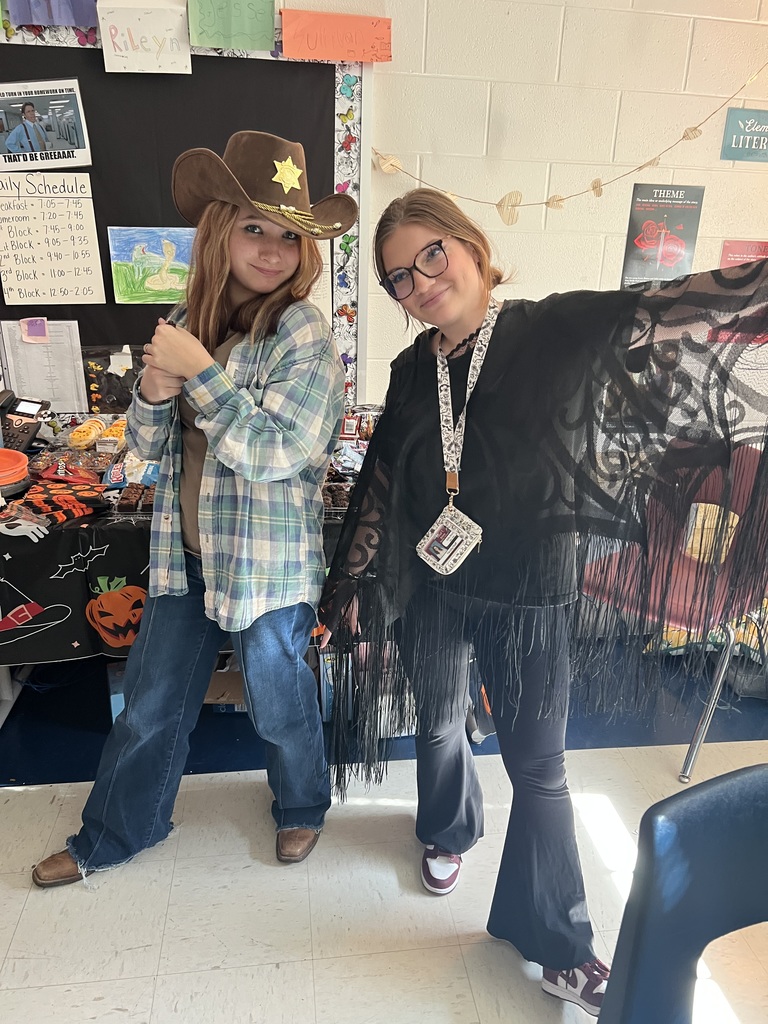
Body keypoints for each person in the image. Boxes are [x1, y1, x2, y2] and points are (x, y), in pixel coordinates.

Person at [319, 188, 768, 1017]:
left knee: (541, 769)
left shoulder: (553, 328)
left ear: (470, 246)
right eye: (396, 279)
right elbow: (384, 473)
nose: (418, 282)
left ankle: (557, 944)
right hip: (433, 584)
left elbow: (683, 308)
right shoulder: (414, 369)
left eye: (430, 256)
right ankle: (445, 828)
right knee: (441, 716)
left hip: (530, 590)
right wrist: (350, 578)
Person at [32, 131, 358, 886]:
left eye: (287, 235)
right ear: (219, 229)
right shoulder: (190, 319)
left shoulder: (302, 332)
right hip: (184, 556)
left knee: (280, 707)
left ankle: (303, 805)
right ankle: (117, 830)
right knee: (149, 707)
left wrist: (200, 373)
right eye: (254, 228)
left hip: (267, 570)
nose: (272, 249)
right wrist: (154, 390)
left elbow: (278, 453)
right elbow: (147, 448)